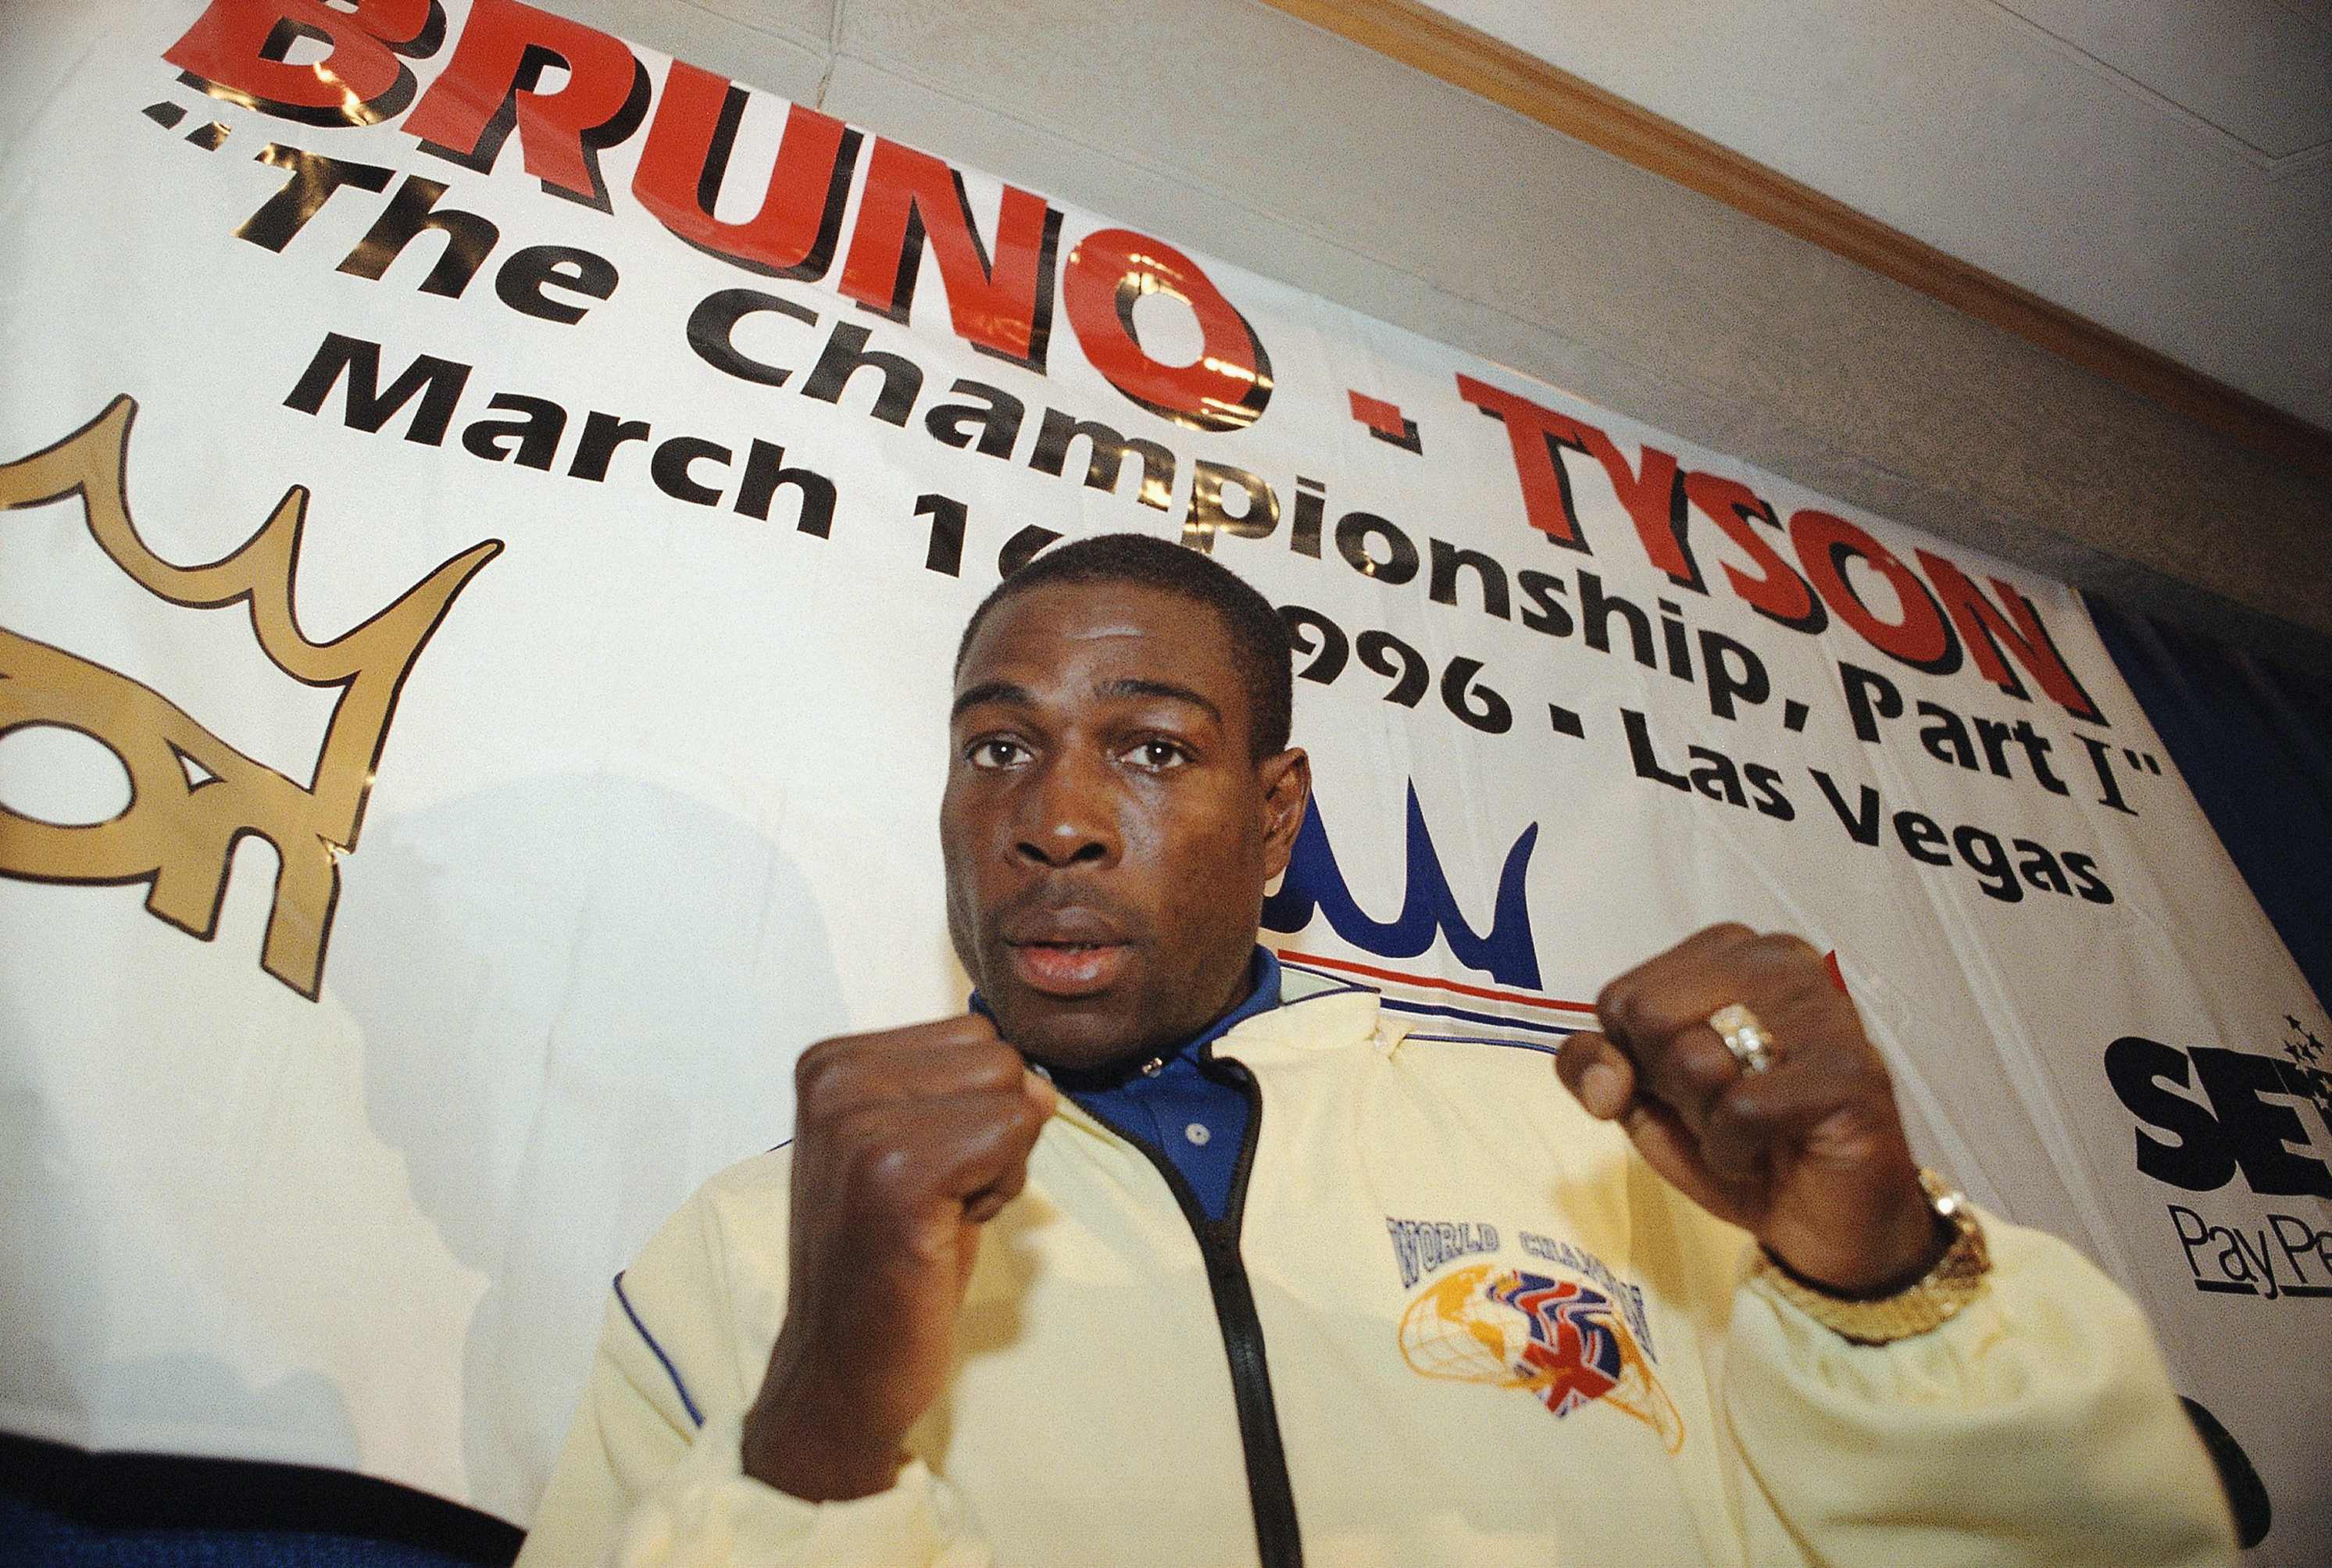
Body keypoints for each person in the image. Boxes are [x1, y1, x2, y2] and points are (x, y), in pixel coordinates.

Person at [518, 533, 2234, 1566]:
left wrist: (1884, 1278)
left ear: (1274, 820)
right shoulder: (749, 1252)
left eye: (1148, 748)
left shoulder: (1606, 1155)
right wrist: (818, 1439)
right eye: (994, 747)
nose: (1051, 819)